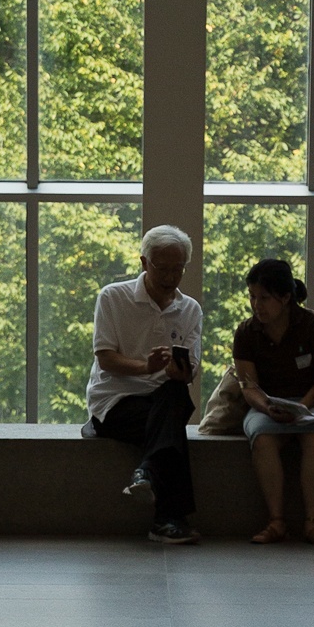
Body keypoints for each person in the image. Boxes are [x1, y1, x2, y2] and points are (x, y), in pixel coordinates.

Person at [87, 226, 204, 547]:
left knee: (175, 393)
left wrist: (178, 370)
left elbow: (190, 370)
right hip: (115, 402)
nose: (170, 276)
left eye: (177, 269)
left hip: (164, 400)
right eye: (161, 268)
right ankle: (168, 518)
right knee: (172, 428)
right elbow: (106, 358)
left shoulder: (190, 309)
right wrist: (146, 367)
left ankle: (147, 476)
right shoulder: (114, 297)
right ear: (144, 263)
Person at [232, 255, 314, 544]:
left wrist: (301, 406)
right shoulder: (246, 332)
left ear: (286, 297)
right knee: (262, 439)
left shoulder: (313, 324)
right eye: (252, 297)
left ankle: (312, 523)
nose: (257, 305)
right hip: (267, 404)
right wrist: (267, 406)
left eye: (264, 298)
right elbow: (248, 385)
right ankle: (276, 521)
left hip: (312, 402)